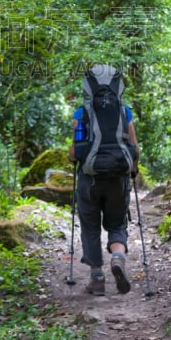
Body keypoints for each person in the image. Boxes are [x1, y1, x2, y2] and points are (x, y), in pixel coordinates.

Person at [69, 66, 140, 297]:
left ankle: (97, 277)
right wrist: (133, 170)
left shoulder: (82, 114)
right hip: (118, 177)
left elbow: (74, 153)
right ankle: (118, 258)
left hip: (90, 179)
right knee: (118, 223)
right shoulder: (125, 112)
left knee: (90, 225)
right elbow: (134, 148)